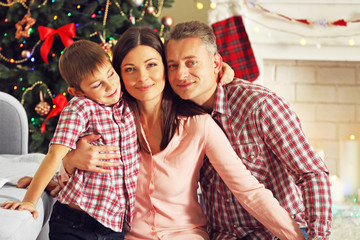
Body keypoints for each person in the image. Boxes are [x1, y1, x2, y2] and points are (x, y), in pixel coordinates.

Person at [57, 26, 305, 240]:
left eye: (152, 65)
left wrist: (299, 237)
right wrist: (67, 163)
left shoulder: (198, 124)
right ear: (119, 74)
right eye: (130, 69)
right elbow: (71, 172)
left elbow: (249, 191)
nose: (143, 78)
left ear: (166, 67)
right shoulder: (111, 123)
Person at [164, 21, 332, 239]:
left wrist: (318, 236)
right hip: (221, 235)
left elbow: (311, 173)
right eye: (173, 65)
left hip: (278, 233)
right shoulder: (175, 115)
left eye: (191, 62)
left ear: (216, 64)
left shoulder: (259, 106)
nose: (181, 74)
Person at [1, 40, 140, 239]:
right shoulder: (81, 108)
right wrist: (30, 201)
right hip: (76, 223)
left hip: (115, 224)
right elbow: (55, 155)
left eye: (110, 74)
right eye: (97, 84)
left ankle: (52, 184)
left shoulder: (126, 103)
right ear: (77, 91)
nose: (110, 86)